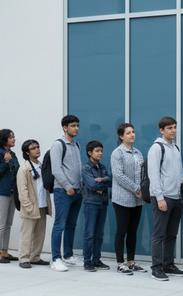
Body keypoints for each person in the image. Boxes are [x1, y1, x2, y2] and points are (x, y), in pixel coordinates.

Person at [148, 116, 183, 281]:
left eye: (174, 127)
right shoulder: (156, 148)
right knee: (159, 235)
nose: (173, 130)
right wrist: (159, 197)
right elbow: (153, 174)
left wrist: (182, 193)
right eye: (169, 128)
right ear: (161, 130)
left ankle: (168, 264)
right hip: (163, 198)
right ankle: (156, 268)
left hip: (176, 197)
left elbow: (179, 172)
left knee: (172, 234)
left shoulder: (175, 147)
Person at [110, 123, 145, 275]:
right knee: (122, 231)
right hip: (122, 198)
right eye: (129, 133)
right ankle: (120, 262)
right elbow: (118, 175)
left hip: (137, 199)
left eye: (133, 132)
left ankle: (131, 261)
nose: (132, 135)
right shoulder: (117, 153)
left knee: (133, 231)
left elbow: (142, 173)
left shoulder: (138, 152)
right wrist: (135, 188)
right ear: (121, 136)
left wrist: (142, 189)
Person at [50, 115, 83, 272]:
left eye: (77, 125)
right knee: (60, 225)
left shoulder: (76, 144)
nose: (76, 128)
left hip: (77, 191)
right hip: (63, 191)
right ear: (65, 127)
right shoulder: (58, 145)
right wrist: (67, 186)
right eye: (73, 125)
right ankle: (56, 258)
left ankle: (68, 255)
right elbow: (56, 169)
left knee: (71, 224)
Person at [15, 140, 51, 269]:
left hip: (42, 205)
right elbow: (22, 190)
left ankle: (35, 257)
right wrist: (28, 206)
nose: (37, 149)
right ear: (27, 152)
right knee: (27, 233)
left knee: (40, 233)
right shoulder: (24, 168)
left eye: (38, 147)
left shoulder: (41, 166)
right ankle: (24, 258)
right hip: (30, 206)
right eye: (33, 148)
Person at [0, 128, 20, 264]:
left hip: (12, 192)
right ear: (4, 139)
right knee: (0, 223)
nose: (14, 139)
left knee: (8, 224)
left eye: (13, 137)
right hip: (1, 192)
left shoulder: (12, 153)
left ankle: (5, 251)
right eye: (11, 137)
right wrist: (5, 163)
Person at [81, 140, 111, 272]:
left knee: (99, 234)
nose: (100, 153)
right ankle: (87, 261)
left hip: (103, 202)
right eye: (97, 151)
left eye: (101, 151)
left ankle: (96, 260)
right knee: (90, 233)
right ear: (90, 152)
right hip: (91, 203)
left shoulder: (102, 167)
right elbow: (91, 185)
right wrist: (98, 185)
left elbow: (111, 180)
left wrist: (102, 181)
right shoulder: (86, 168)